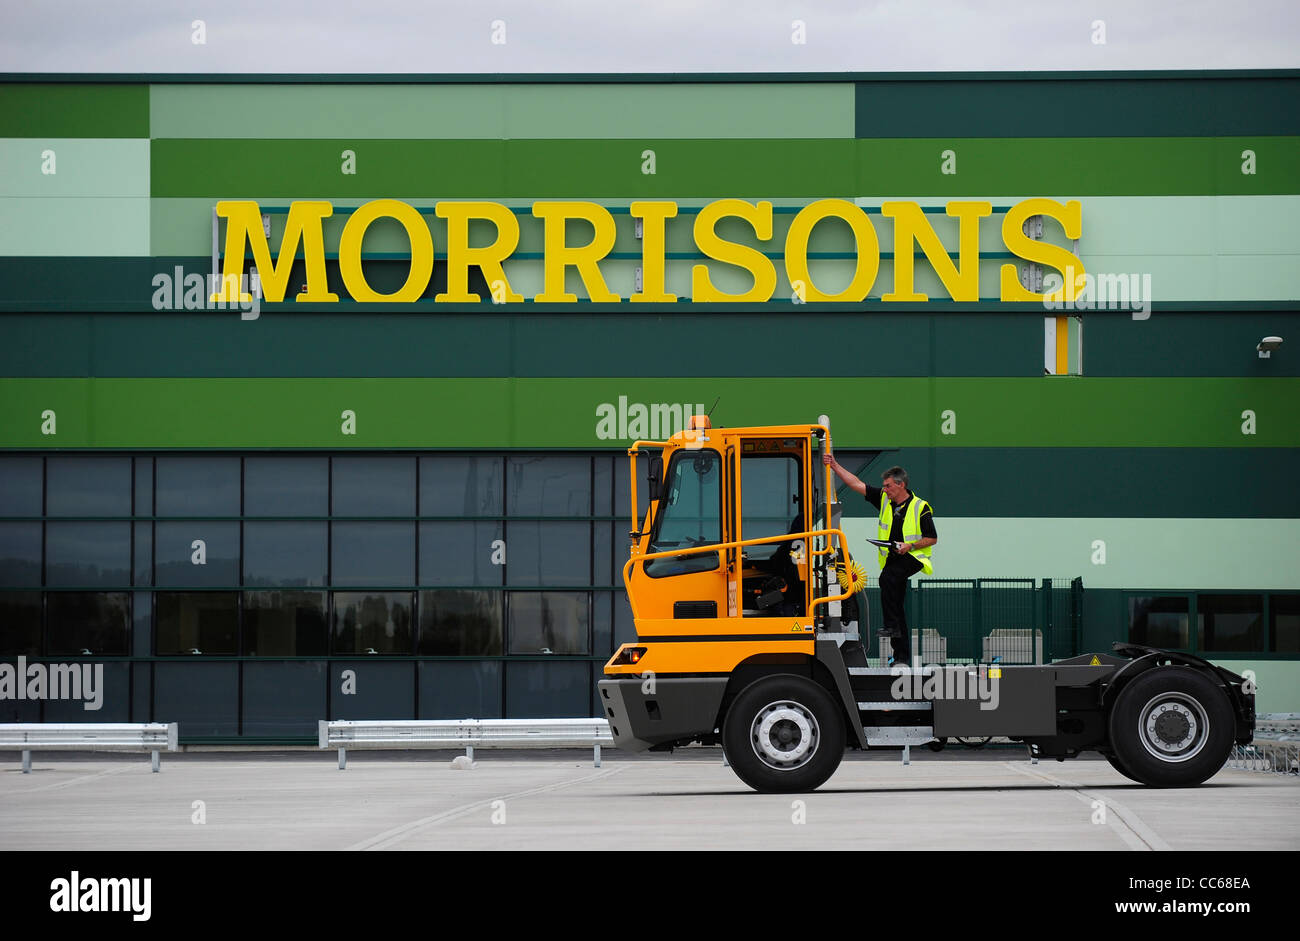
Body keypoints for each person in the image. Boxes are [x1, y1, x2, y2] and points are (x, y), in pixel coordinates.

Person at [822, 455, 937, 666]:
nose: (884, 489)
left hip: (913, 556)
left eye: (888, 486)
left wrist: (909, 545)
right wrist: (835, 466)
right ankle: (901, 657)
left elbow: (932, 538)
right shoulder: (885, 500)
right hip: (892, 558)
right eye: (883, 486)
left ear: (900, 485)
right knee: (895, 600)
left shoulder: (920, 507)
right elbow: (857, 483)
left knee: (887, 579)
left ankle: (891, 626)